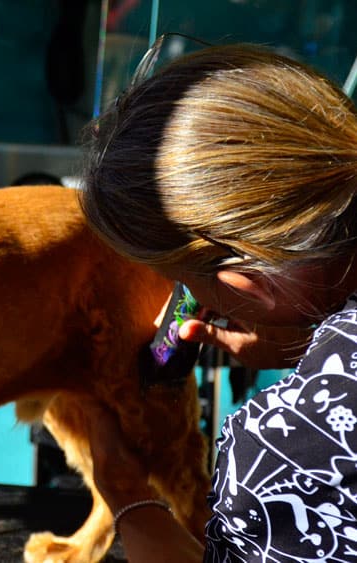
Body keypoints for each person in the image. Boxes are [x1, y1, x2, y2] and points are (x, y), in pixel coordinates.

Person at [78, 43, 357, 562]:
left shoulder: (292, 449)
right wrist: (315, 349)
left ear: (243, 285)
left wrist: (128, 498)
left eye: (175, 280)